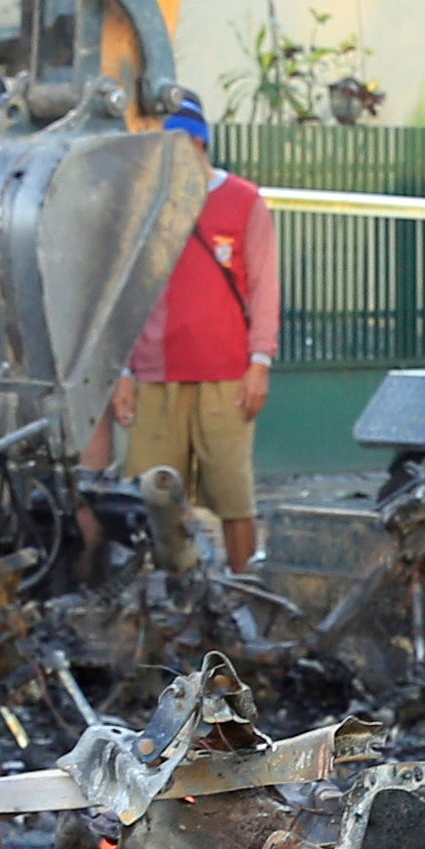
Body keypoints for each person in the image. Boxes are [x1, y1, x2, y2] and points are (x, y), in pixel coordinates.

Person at [114, 90, 280, 573]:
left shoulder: (244, 202)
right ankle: (163, 597)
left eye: (184, 144)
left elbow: (265, 289)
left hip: (225, 374)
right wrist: (122, 371)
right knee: (147, 499)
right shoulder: (145, 205)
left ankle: (245, 592)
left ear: (201, 144)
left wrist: (260, 363)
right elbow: (126, 293)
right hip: (155, 373)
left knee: (234, 498)